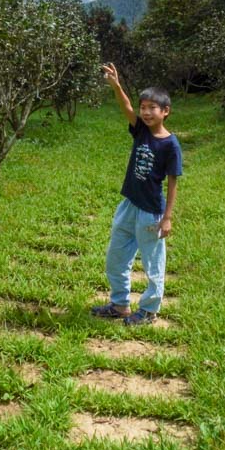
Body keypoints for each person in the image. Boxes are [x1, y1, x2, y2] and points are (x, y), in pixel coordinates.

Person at [90, 62, 182, 327]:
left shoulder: (170, 145)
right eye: (143, 107)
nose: (146, 112)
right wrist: (116, 85)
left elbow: (173, 182)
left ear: (165, 112)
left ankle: (150, 310)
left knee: (153, 265)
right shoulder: (140, 130)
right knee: (116, 257)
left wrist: (167, 217)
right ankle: (120, 305)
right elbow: (126, 107)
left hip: (151, 213)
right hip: (129, 205)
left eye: (152, 108)